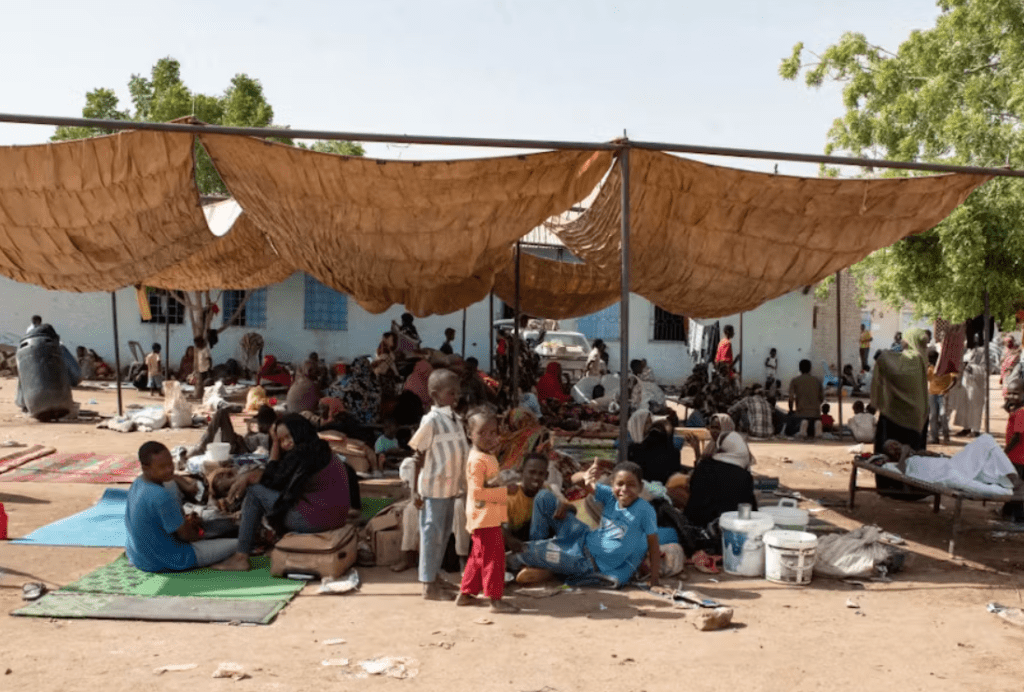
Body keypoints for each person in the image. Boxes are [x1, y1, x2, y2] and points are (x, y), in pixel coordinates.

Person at [213, 414, 355, 571]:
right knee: (275, 495)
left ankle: (241, 557)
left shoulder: (303, 453)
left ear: (299, 431)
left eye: (289, 436)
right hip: (335, 518)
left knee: (254, 492)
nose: (286, 443)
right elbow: (276, 476)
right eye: (281, 440)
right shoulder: (318, 448)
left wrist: (250, 477)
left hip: (316, 520)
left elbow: (272, 480)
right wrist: (274, 444)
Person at [509, 461, 660, 588]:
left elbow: (653, 545)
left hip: (584, 563)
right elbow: (576, 480)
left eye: (631, 485)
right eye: (619, 484)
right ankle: (540, 564)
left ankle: (531, 562)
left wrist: (655, 582)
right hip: (582, 536)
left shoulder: (645, 511)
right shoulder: (610, 495)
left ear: (640, 487)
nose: (624, 490)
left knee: (523, 551)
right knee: (543, 497)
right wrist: (585, 475)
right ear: (612, 485)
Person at [125, 441, 238, 572]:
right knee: (239, 543)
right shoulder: (161, 496)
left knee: (172, 485)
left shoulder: (138, 482)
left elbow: (172, 478)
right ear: (145, 468)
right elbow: (187, 536)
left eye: (170, 464)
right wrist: (202, 533)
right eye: (162, 467)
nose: (169, 470)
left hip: (138, 557)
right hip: (166, 560)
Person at [410, 369, 470, 601]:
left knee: (443, 534)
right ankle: (427, 584)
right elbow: (418, 456)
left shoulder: (455, 419)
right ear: (435, 394)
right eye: (450, 393)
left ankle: (434, 576)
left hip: (450, 488)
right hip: (433, 489)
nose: (455, 396)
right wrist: (414, 490)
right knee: (431, 534)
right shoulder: (431, 420)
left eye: (457, 392)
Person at [456, 409, 519, 613]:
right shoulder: (477, 460)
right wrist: (504, 491)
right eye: (482, 433)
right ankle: (495, 599)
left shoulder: (485, 456)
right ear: (470, 433)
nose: (488, 437)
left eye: (493, 432)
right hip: (484, 517)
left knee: (478, 556)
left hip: (485, 516)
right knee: (494, 559)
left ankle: (466, 593)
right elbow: (478, 492)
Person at [871, 328, 930, 497]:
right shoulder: (922, 358)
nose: (902, 342)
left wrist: (881, 356)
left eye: (905, 339)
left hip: (896, 414)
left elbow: (892, 368)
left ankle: (889, 487)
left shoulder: (912, 359)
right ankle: (910, 488)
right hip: (918, 415)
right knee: (913, 452)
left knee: (889, 449)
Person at [684, 431, 757, 528]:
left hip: (696, 527)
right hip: (729, 527)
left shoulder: (703, 466)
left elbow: (693, 491)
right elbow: (751, 508)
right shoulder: (744, 476)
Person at [503, 453, 550, 549]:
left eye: (541, 474)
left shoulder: (547, 493)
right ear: (521, 472)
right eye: (532, 472)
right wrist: (511, 541)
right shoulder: (510, 497)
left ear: (546, 476)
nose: (536, 477)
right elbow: (501, 530)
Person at [626, 409, 679, 485]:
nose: (648, 427)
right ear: (637, 425)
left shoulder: (638, 448)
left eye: (650, 423)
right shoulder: (630, 447)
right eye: (646, 423)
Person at [1002, 380, 1024, 523]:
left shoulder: (1021, 412)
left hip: (1018, 457)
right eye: (1009, 393)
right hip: (1017, 456)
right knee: (1013, 485)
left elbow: (1017, 435)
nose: (1012, 396)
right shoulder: (1017, 410)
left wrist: (1005, 451)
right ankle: (1007, 510)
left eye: (1016, 394)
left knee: (1016, 486)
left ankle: (1019, 516)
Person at [954, 346, 986, 437]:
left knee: (975, 408)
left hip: (976, 385)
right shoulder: (967, 350)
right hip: (966, 382)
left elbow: (985, 368)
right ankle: (966, 428)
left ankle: (975, 430)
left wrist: (972, 368)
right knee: (964, 407)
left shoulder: (982, 351)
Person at [788, 359, 824, 439]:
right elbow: (821, 398)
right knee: (814, 421)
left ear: (799, 369)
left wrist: (791, 410)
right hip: (816, 413)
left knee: (790, 427)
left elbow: (791, 398)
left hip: (801, 413)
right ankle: (816, 425)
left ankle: (803, 427)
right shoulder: (817, 380)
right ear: (810, 368)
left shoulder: (795, 380)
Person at [927, 350, 957, 445]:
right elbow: (927, 378)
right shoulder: (930, 368)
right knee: (933, 416)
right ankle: (935, 437)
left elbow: (954, 379)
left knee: (942, 416)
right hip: (932, 393)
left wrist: (947, 389)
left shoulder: (946, 367)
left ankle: (945, 436)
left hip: (942, 394)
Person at [194, 336, 213, 401]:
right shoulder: (199, 351)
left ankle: (208, 397)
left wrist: (209, 368)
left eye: (197, 343)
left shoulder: (205, 350)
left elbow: (209, 359)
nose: (196, 345)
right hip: (201, 369)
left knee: (207, 384)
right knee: (203, 384)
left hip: (206, 369)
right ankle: (204, 397)